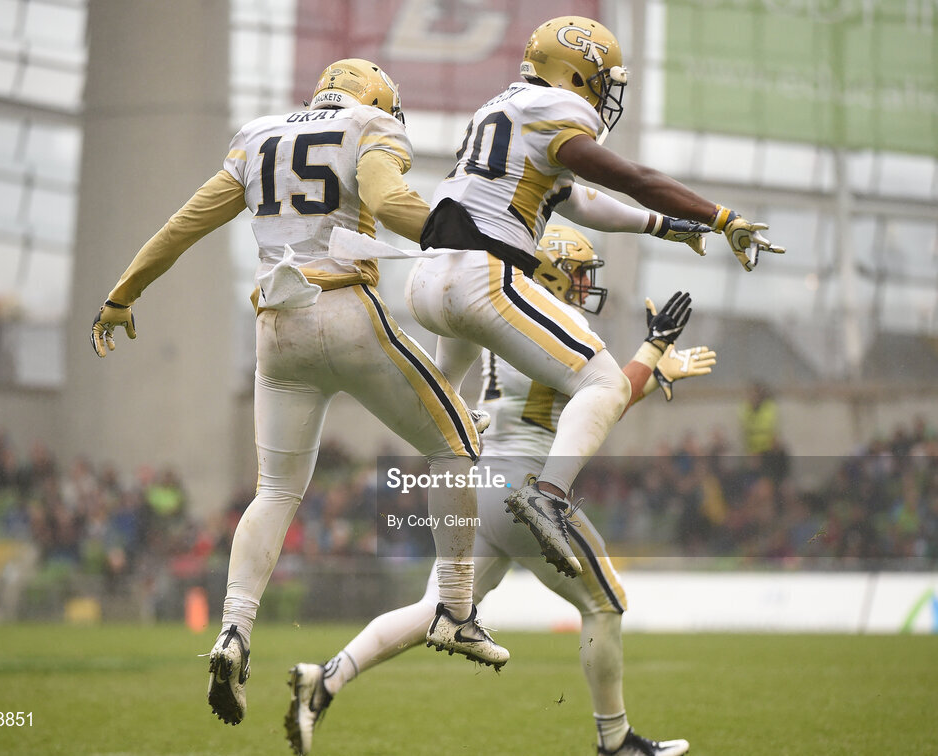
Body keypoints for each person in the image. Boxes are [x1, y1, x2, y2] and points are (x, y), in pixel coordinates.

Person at [88, 58, 508, 727]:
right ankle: (455, 611)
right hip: (342, 308)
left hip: (274, 327)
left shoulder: (258, 135)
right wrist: (472, 240)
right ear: (373, 100)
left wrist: (122, 294)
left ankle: (233, 632)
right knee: (456, 438)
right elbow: (387, 200)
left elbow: (184, 224)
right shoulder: (369, 125)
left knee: (276, 491)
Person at [286, 225, 715, 756]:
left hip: (483, 485)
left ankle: (325, 679)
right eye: (579, 273)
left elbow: (590, 399)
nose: (584, 285)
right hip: (528, 489)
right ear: (554, 270)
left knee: (435, 610)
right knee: (606, 604)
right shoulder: (556, 327)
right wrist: (651, 351)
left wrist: (654, 373)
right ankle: (615, 741)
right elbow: (604, 392)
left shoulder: (497, 321)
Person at [401, 15, 783, 578]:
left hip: (428, 278)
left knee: (447, 429)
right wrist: (718, 215)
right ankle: (548, 496)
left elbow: (575, 200)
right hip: (482, 275)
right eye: (601, 79)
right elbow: (629, 176)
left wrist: (661, 226)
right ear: (576, 72)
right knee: (603, 383)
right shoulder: (559, 109)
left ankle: (451, 600)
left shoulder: (503, 107)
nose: (605, 93)